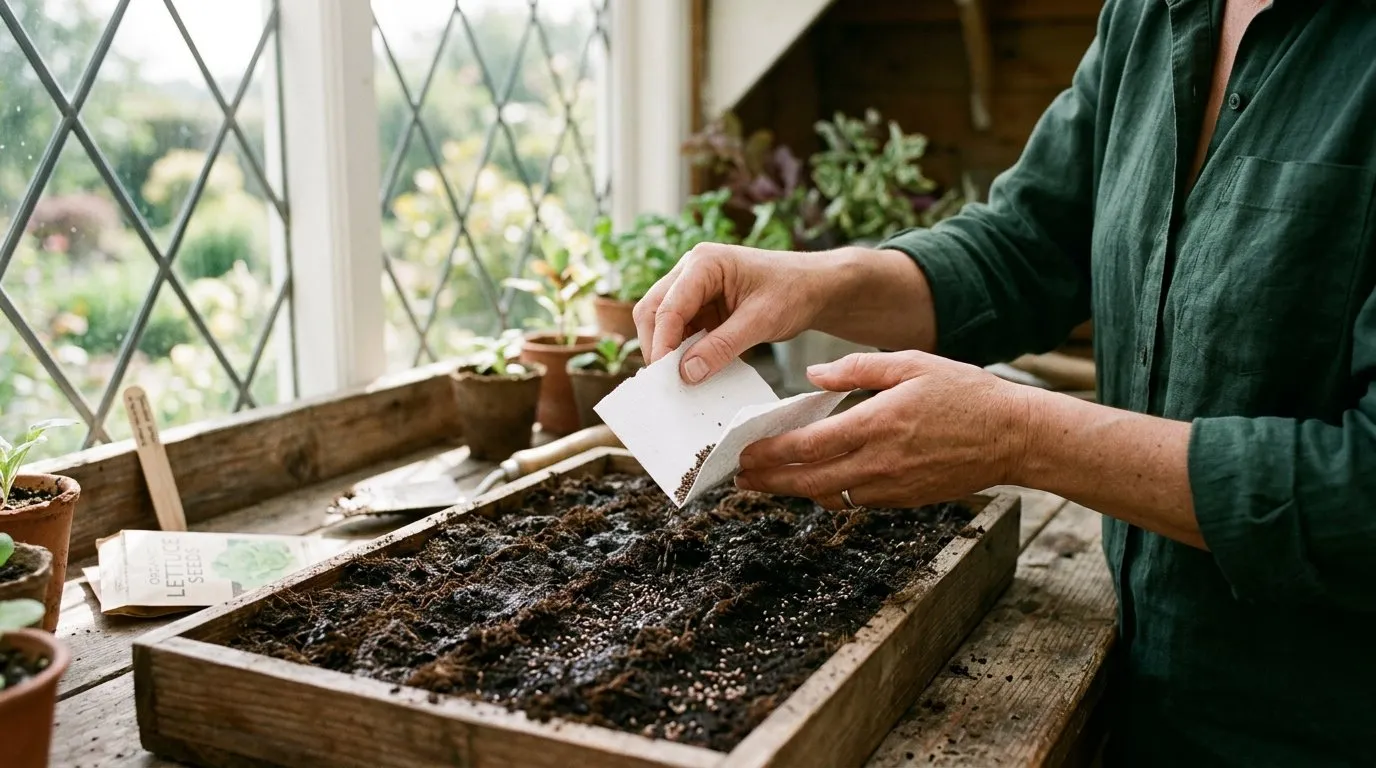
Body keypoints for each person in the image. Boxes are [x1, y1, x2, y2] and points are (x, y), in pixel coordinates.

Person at [635, 0, 1376, 764]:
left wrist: (1019, 437)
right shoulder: (1150, 17)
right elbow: (1029, 245)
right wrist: (818, 280)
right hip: (1142, 693)